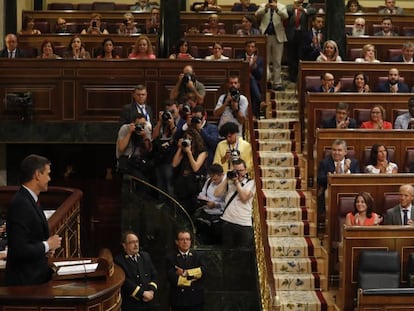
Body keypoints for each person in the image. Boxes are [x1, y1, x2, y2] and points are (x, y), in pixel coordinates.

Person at [5, 154, 62, 286]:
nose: (49, 178)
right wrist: (47, 245)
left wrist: (45, 250)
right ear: (37, 174)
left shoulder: (30, 200)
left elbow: (31, 239)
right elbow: (19, 248)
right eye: (47, 174)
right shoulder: (21, 203)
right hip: (25, 284)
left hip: (35, 278)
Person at [214, 158, 256, 248]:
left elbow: (244, 198)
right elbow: (216, 193)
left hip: (243, 223)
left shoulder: (251, 183)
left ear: (245, 170)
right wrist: (226, 179)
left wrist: (237, 182)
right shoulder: (229, 182)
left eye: (241, 171)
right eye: (236, 171)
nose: (238, 173)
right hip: (227, 221)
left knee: (243, 255)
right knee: (227, 253)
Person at [317, 139, 360, 221]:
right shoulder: (325, 163)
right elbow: (320, 179)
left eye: (339, 150)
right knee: (327, 194)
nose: (336, 153)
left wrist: (347, 171)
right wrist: (334, 175)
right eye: (334, 150)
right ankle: (329, 221)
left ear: (345, 152)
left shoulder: (354, 163)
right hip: (331, 190)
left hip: (351, 190)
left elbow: (358, 179)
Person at [114, 231, 158, 311]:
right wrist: (142, 294)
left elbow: (154, 274)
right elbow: (125, 282)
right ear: (124, 245)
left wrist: (151, 291)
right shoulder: (119, 261)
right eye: (132, 242)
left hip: (149, 302)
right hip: (132, 304)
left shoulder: (145, 256)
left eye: (137, 241)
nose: (136, 245)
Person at [172, 127, 208, 215]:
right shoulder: (183, 151)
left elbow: (195, 167)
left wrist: (189, 153)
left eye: (190, 139)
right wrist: (180, 148)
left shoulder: (202, 152)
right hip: (182, 184)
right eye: (186, 138)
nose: (188, 141)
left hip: (194, 185)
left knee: (191, 211)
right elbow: (174, 164)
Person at [167, 230, 204, 311]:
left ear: (190, 241)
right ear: (177, 242)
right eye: (182, 239)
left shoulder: (197, 256)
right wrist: (194, 277)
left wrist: (185, 273)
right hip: (179, 300)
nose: (185, 242)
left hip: (196, 299)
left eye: (187, 239)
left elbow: (203, 272)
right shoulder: (171, 257)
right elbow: (173, 278)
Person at [256, 0, 288, 91]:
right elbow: (257, 15)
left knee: (277, 61)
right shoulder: (263, 6)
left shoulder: (281, 6)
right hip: (265, 36)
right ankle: (266, 81)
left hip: (277, 36)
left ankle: (277, 83)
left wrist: (276, 8)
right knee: (265, 60)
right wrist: (266, 8)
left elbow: (285, 16)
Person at [152, 100, 179, 196]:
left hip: (172, 159)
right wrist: (159, 121)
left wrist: (172, 125)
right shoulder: (162, 122)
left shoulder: (181, 122)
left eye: (173, 112)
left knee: (170, 185)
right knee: (160, 184)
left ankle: (171, 208)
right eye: (168, 112)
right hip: (160, 157)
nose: (170, 114)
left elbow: (178, 138)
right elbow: (153, 137)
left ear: (178, 109)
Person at [285, 0, 316, 82]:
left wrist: (304, 10)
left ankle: (299, 76)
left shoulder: (307, 6)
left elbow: (313, 11)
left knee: (300, 56)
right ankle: (292, 76)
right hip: (292, 35)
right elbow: (285, 11)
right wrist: (293, 7)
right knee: (291, 56)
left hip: (302, 35)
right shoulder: (290, 7)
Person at [193, 164, 226, 244]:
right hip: (206, 213)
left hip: (218, 216)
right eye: (212, 177)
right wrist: (202, 198)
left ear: (221, 175)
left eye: (215, 178)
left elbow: (227, 204)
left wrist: (216, 204)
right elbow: (203, 192)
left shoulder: (226, 185)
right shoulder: (209, 181)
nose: (213, 180)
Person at [116, 112, 153, 181]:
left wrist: (144, 136)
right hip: (126, 160)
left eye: (143, 124)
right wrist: (130, 132)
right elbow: (121, 148)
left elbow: (149, 149)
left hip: (139, 160)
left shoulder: (145, 129)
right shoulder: (125, 128)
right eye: (139, 124)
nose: (141, 126)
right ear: (133, 123)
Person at [237, 40, 264, 119]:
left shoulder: (259, 59)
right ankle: (259, 100)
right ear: (245, 48)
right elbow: (238, 71)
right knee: (250, 78)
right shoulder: (240, 57)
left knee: (251, 79)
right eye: (248, 46)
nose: (250, 48)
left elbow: (260, 76)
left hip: (255, 82)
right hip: (242, 81)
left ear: (255, 49)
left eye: (252, 47)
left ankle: (255, 112)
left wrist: (254, 67)